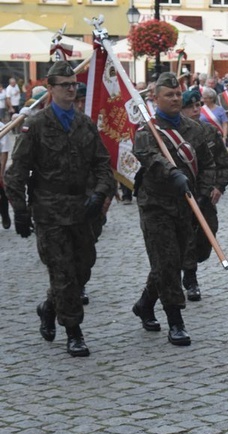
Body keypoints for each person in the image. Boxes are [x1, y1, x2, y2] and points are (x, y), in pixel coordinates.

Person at [3, 61, 116, 357]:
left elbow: (103, 163)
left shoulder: (84, 123)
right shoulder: (37, 125)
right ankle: (74, 331)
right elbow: (16, 172)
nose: (71, 89)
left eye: (73, 84)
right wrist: (21, 211)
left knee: (83, 268)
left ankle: (48, 306)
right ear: (50, 89)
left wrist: (100, 193)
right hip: (49, 210)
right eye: (64, 84)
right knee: (64, 272)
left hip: (82, 209)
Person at [131, 72, 216, 347]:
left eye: (178, 93)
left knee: (174, 260)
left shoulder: (195, 129)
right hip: (156, 205)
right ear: (155, 98)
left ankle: (145, 303)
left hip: (186, 204)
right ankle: (175, 321)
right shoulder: (148, 130)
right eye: (169, 94)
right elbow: (150, 158)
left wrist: (203, 193)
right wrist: (173, 173)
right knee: (167, 263)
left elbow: (207, 163)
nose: (176, 98)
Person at [179, 89, 228, 302]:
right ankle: (190, 278)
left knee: (205, 241)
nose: (195, 110)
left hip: (206, 197)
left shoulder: (209, 132)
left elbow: (224, 164)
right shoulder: (171, 134)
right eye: (190, 107)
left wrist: (219, 186)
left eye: (197, 105)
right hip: (182, 197)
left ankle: (191, 266)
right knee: (186, 240)